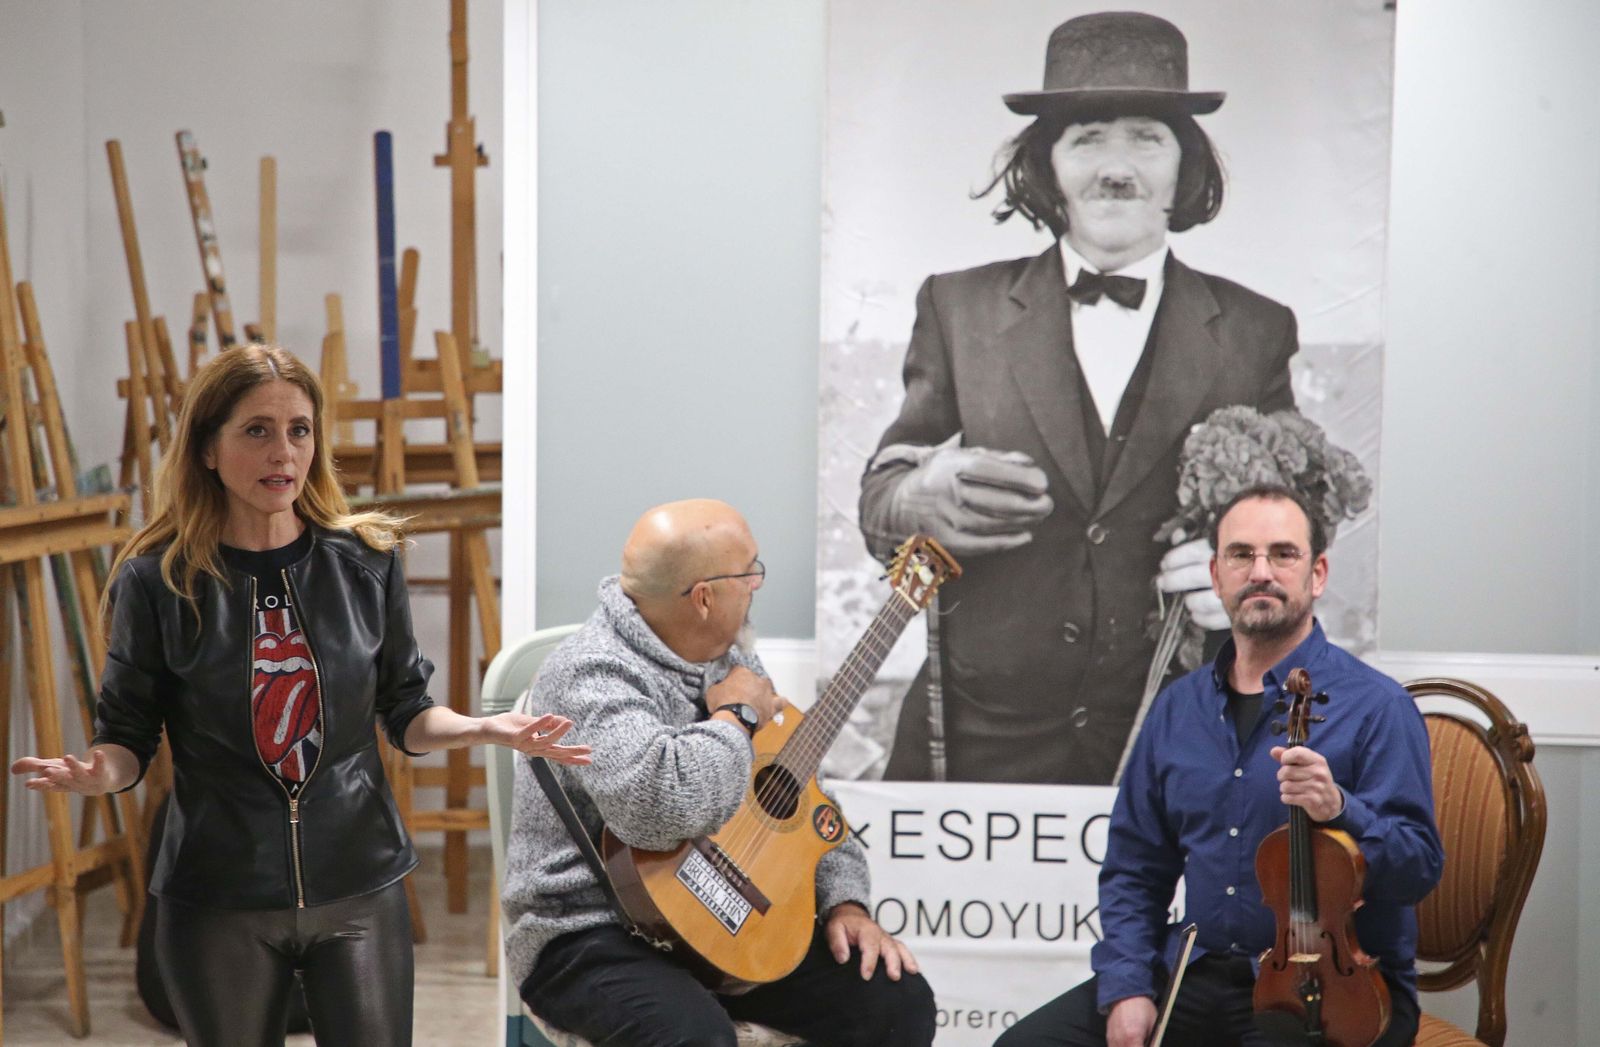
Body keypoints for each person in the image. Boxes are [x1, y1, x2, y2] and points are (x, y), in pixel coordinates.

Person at [10, 345, 590, 1047]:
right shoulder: (159, 583)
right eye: (257, 429)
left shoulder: (366, 564)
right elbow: (128, 736)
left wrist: (484, 729)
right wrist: (99, 772)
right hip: (219, 893)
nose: (282, 451)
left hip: (360, 881)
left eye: (299, 430)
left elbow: (406, 709)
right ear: (208, 450)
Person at [858, 11, 1302, 784]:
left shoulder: (1257, 330)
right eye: (1088, 138)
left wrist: (1248, 573)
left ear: (1185, 168)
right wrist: (916, 497)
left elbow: (1294, 524)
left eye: (1147, 139)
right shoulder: (956, 308)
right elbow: (881, 500)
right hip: (978, 741)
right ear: (1048, 165)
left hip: (1177, 739)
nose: (1115, 167)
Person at [996, 484, 1443, 1047]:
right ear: (1216, 574)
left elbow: (1418, 869)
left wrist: (1341, 809)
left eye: (1283, 554)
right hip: (1197, 969)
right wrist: (1128, 987)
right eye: (1241, 554)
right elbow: (1135, 867)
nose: (1261, 572)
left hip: (1330, 991)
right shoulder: (1177, 709)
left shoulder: (1377, 707)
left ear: (1318, 574)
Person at [503, 499, 936, 1047]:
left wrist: (844, 903)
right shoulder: (591, 673)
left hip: (727, 923)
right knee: (695, 1037)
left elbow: (800, 793)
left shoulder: (731, 657)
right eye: (750, 572)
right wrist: (736, 717)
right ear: (704, 598)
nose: (757, 584)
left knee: (896, 1002)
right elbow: (657, 813)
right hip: (588, 929)